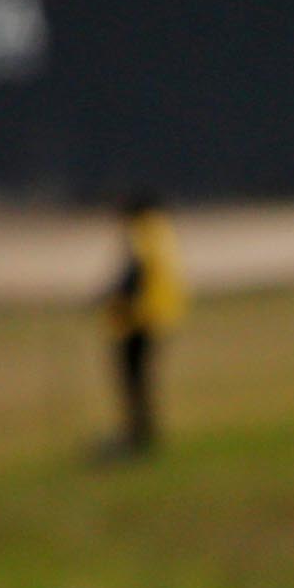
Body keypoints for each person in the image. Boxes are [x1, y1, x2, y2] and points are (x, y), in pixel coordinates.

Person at [101, 192, 185, 457]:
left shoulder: (142, 232)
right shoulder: (161, 230)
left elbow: (135, 273)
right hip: (159, 315)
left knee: (132, 379)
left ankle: (136, 435)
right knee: (142, 379)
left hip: (139, 318)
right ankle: (143, 432)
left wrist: (109, 296)